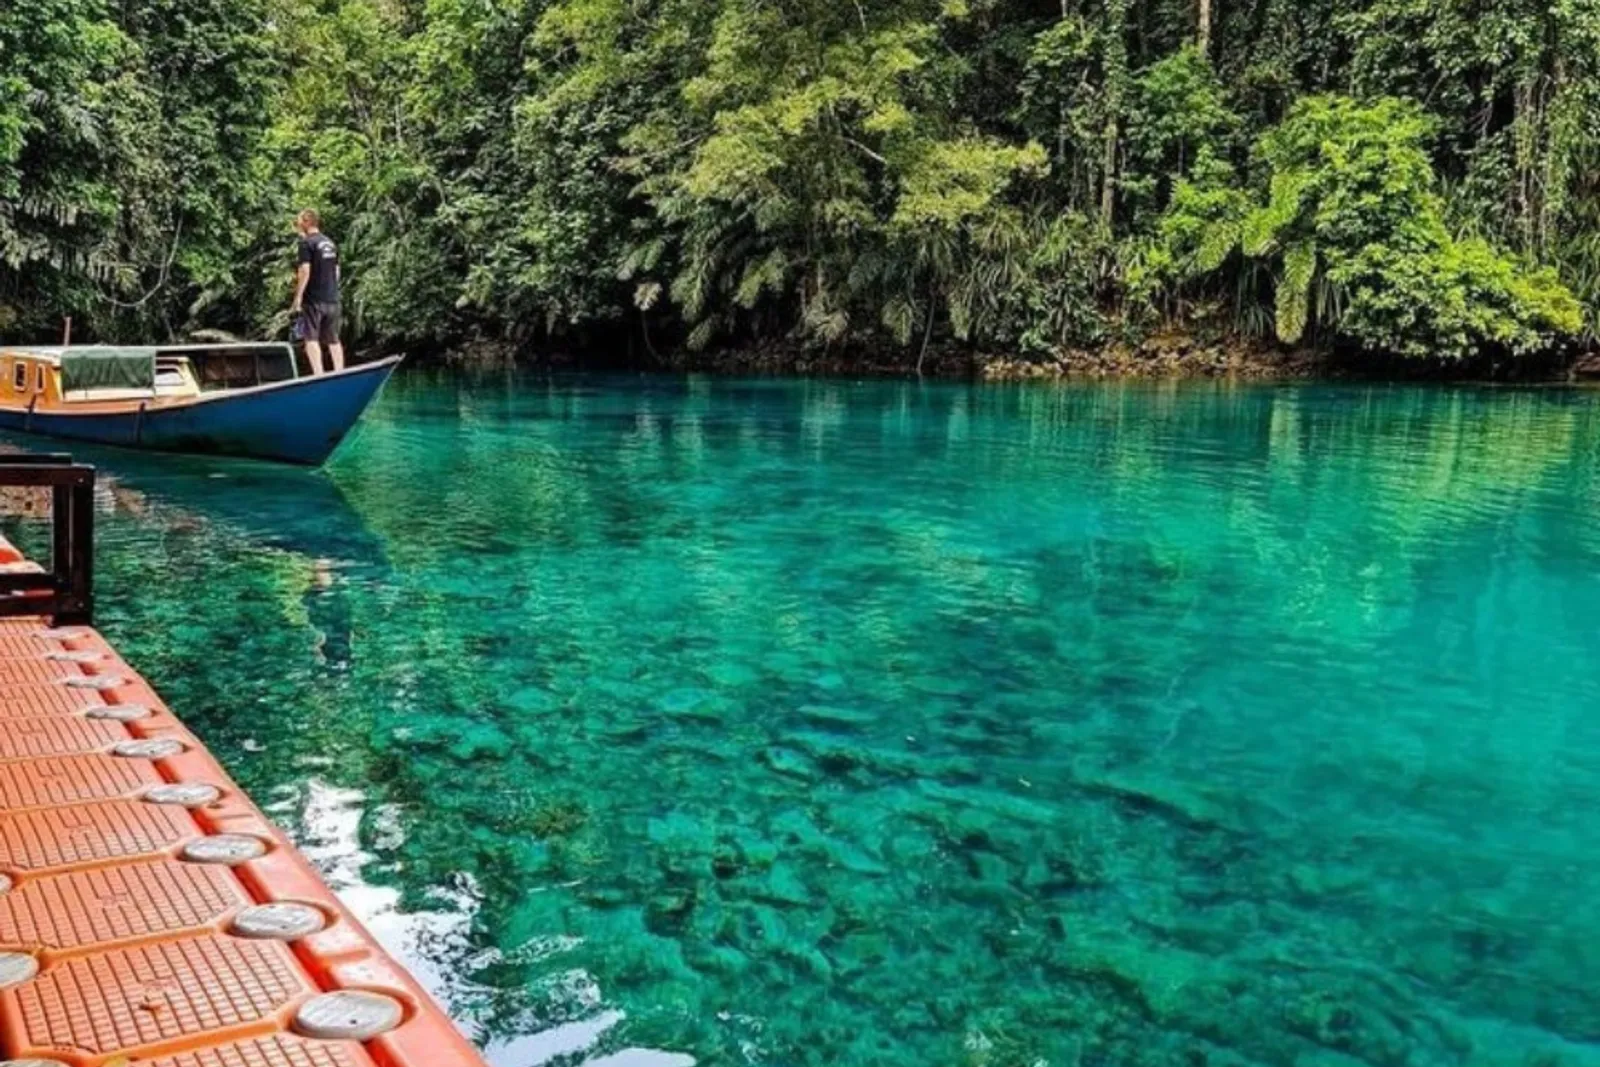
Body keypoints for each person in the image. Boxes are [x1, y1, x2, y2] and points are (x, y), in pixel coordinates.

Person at [291, 210, 344, 375]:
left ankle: (319, 374)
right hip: (332, 298)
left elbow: (305, 270)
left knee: (310, 338)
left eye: (299, 222)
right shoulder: (330, 243)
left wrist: (298, 297)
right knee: (333, 339)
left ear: (307, 222)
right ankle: (339, 372)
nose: (297, 225)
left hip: (314, 299)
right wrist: (332, 288)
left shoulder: (306, 243)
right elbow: (336, 271)